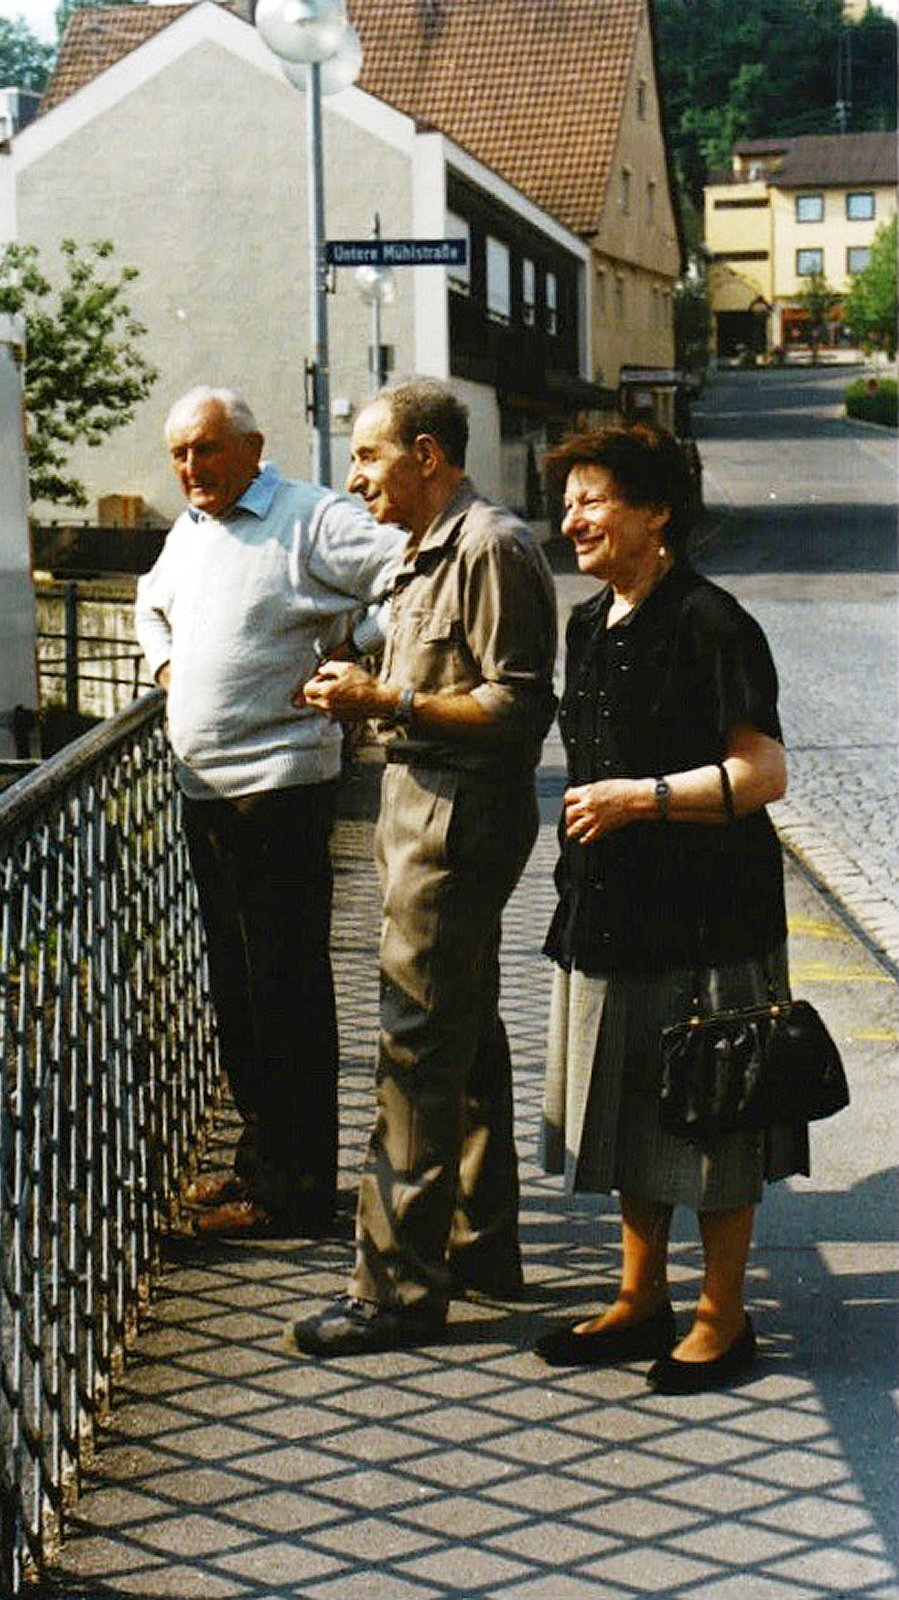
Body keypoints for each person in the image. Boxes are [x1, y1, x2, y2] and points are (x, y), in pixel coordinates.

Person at [534, 421, 805, 1395]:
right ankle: (638, 1296)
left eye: (593, 500)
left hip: (709, 915)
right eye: (567, 503)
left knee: (713, 1117)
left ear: (657, 513)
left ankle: (720, 1318)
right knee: (629, 1110)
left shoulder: (710, 621)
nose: (573, 519)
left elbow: (762, 771)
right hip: (609, 905)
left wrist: (639, 799)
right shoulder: (586, 622)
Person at [290, 378, 558, 1356]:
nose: (355, 476)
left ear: (426, 457)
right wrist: (365, 692)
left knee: (411, 1050)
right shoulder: (428, 549)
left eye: (368, 456)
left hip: (452, 825)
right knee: (465, 1033)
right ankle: (476, 1243)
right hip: (427, 815)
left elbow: (518, 707)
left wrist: (384, 700)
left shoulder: (487, 547)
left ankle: (393, 1289)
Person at [134, 386, 403, 1237]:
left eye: (206, 450)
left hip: (279, 788)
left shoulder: (309, 517)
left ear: (252, 446)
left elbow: (412, 573)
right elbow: (149, 604)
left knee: (284, 994)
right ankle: (259, 1164)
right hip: (206, 792)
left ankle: (292, 1192)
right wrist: (169, 668)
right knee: (239, 994)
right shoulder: (194, 529)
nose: (191, 468)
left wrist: (354, 650)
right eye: (179, 454)